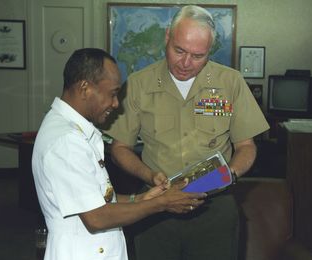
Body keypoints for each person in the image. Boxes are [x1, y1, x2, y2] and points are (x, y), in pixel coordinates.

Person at [107, 5, 270, 260]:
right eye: (179, 50)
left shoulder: (231, 82)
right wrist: (149, 174)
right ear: (167, 37)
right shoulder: (139, 84)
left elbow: (246, 146)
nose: (185, 63)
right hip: (155, 206)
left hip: (214, 207)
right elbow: (119, 148)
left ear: (209, 51)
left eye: (197, 56)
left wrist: (228, 175)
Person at [31, 48, 207, 260]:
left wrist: (141, 198)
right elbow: (96, 217)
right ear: (85, 88)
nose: (116, 104)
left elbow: (97, 199)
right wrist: (163, 203)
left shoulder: (72, 131)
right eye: (113, 94)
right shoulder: (66, 141)